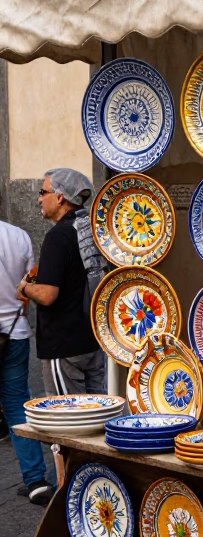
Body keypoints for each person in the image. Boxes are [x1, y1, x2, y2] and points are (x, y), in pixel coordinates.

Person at [17, 168, 106, 396]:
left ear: (60, 197)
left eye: (43, 192)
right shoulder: (90, 230)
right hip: (92, 343)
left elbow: (48, 295)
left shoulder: (58, 236)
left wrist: (26, 288)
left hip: (64, 348)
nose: (39, 199)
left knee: (67, 414)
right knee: (95, 412)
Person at [0, 217, 54, 504]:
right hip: (14, 332)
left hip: (14, 330)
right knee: (16, 403)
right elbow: (27, 284)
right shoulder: (18, 235)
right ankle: (36, 481)